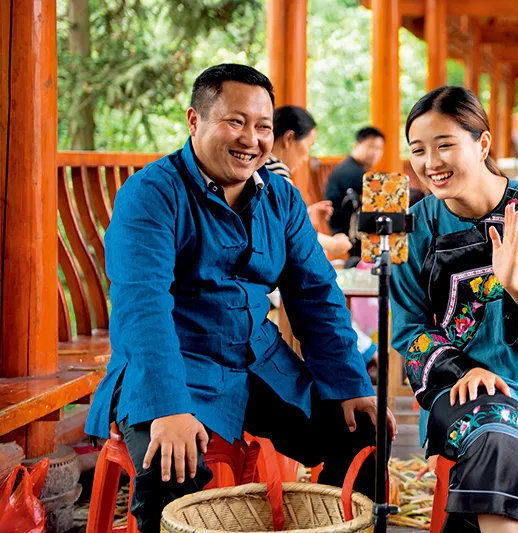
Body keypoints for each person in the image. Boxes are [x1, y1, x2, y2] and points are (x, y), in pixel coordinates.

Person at [84, 64, 396, 533]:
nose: (251, 139)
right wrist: (167, 408)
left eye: (263, 126)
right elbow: (143, 308)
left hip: (258, 362)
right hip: (174, 365)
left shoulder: (281, 198)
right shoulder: (150, 194)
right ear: (194, 121)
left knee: (365, 433)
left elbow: (316, 296)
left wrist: (351, 385)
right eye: (235, 121)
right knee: (171, 467)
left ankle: (329, 525)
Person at [391, 86, 518, 532]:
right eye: (418, 150)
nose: (431, 163)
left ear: (482, 143)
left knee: (502, 440)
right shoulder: (416, 225)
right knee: (495, 435)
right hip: (458, 391)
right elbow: (408, 331)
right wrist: (464, 371)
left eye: (445, 145)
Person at [266, 105, 352, 257]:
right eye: (308, 146)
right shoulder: (276, 172)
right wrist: (333, 244)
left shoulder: (262, 166)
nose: (306, 157)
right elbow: (287, 232)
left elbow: (275, 217)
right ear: (289, 138)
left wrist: (306, 213)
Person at [324, 126, 385, 261]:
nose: (375, 152)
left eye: (379, 148)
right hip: (347, 236)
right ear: (356, 145)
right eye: (371, 146)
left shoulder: (354, 168)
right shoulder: (351, 172)